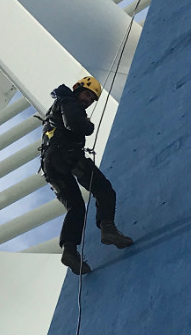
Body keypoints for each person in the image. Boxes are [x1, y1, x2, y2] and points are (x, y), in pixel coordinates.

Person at [40, 76, 133, 274]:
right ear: (77, 89)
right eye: (86, 94)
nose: (88, 100)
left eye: (91, 98)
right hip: (67, 155)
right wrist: (88, 126)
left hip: (51, 165)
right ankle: (107, 228)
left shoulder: (60, 104)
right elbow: (76, 124)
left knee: (75, 207)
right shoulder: (68, 100)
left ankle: (70, 251)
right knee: (104, 189)